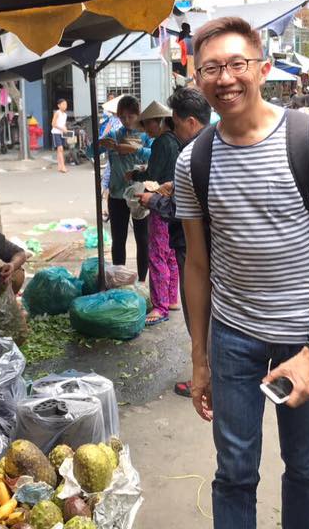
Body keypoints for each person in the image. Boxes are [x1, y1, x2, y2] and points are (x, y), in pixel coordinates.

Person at [175, 17, 309, 529]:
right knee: (233, 471)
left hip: (306, 336)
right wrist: (200, 359)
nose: (225, 77)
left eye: (237, 64)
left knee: (303, 467)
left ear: (263, 68)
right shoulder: (194, 160)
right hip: (234, 338)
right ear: (197, 79)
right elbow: (197, 263)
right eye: (211, 68)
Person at [137, 86, 212, 397]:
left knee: (198, 315)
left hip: (193, 247)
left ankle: (203, 379)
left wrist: (151, 199)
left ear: (191, 122)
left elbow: (180, 209)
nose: (173, 130)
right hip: (211, 246)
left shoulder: (190, 154)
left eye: (176, 124)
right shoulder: (217, 145)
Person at [128, 101, 181, 326]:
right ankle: (171, 298)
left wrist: (135, 175)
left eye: (148, 123)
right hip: (176, 202)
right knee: (170, 253)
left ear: (159, 121)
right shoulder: (177, 140)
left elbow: (154, 173)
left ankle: (160, 307)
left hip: (160, 201)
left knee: (157, 255)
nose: (147, 128)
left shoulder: (161, 142)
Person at [99, 96, 152, 281]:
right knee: (118, 240)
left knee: (143, 240)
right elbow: (91, 152)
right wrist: (99, 145)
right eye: (122, 117)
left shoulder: (146, 135)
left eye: (131, 116)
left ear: (138, 115)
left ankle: (143, 280)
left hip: (140, 194)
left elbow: (156, 155)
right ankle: (119, 279)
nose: (127, 121)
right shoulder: (114, 134)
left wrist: (134, 150)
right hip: (116, 194)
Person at [51, 98, 69, 173]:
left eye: (66, 104)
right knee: (60, 148)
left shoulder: (65, 114)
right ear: (59, 105)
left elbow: (63, 124)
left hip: (62, 133)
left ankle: (59, 166)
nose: (65, 106)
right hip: (56, 133)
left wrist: (66, 130)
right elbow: (53, 124)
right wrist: (62, 128)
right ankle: (63, 167)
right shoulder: (57, 113)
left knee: (60, 150)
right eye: (63, 104)